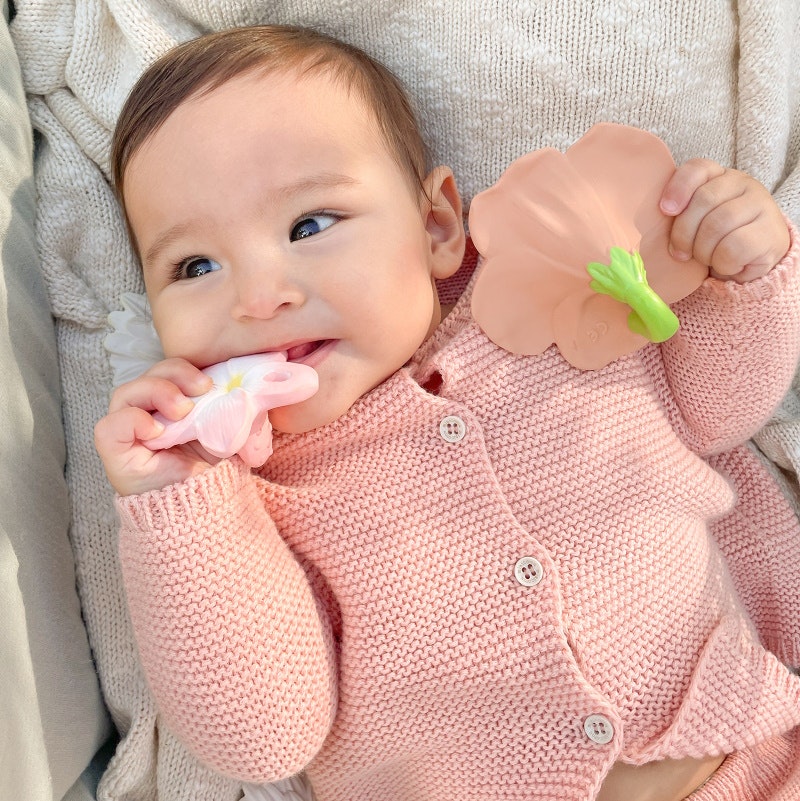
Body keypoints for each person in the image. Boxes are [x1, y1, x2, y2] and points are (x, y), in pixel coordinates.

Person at [93, 25, 800, 801]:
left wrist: (746, 271)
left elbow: (720, 411)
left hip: (750, 762)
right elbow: (265, 735)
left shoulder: (544, 306)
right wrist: (180, 504)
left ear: (436, 225)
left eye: (310, 225)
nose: (260, 297)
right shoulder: (248, 499)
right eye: (194, 266)